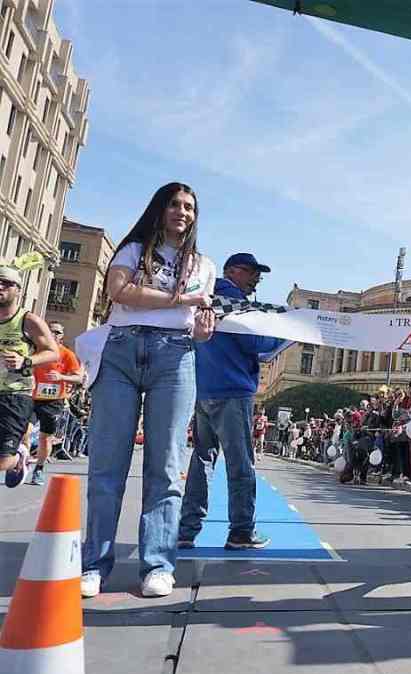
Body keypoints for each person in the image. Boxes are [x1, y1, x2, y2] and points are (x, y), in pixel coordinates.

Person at [80, 183, 216, 599]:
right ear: (159, 209)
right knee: (107, 463)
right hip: (122, 348)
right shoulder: (133, 250)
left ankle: (158, 563)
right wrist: (182, 298)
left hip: (175, 355)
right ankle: (94, 564)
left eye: (189, 207)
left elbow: (195, 319)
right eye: (174, 204)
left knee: (166, 464)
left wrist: (202, 330)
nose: (182, 212)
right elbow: (119, 291)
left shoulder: (203, 264)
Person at [178, 253, 285, 552]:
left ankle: (187, 530)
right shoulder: (235, 302)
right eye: (252, 273)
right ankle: (241, 531)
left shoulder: (206, 297)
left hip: (204, 388)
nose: (256, 280)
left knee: (201, 460)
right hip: (233, 390)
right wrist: (284, 333)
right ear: (233, 272)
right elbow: (255, 343)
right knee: (241, 464)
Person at [0, 265, 59, 489]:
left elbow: (52, 351)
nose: (0, 286)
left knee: (3, 460)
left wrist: (25, 360)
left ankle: (19, 457)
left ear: (18, 289)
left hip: (16, 394)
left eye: (6, 283)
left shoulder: (28, 320)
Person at [26, 322, 84, 485]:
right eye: (50, 331)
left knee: (45, 438)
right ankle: (20, 462)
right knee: (25, 431)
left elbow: (78, 378)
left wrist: (62, 377)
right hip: (30, 397)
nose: (53, 334)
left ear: (61, 336)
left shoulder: (67, 355)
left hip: (53, 401)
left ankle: (39, 469)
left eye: (57, 332)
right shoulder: (36, 350)